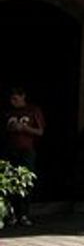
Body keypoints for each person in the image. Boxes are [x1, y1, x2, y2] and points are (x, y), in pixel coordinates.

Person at [3, 87, 44, 227]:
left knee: (25, 182)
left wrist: (25, 129)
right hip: (10, 150)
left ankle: (24, 214)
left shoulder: (33, 110)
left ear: (23, 96)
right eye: (11, 99)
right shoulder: (8, 112)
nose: (13, 102)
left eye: (16, 98)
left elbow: (40, 131)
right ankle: (12, 214)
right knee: (10, 182)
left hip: (26, 150)